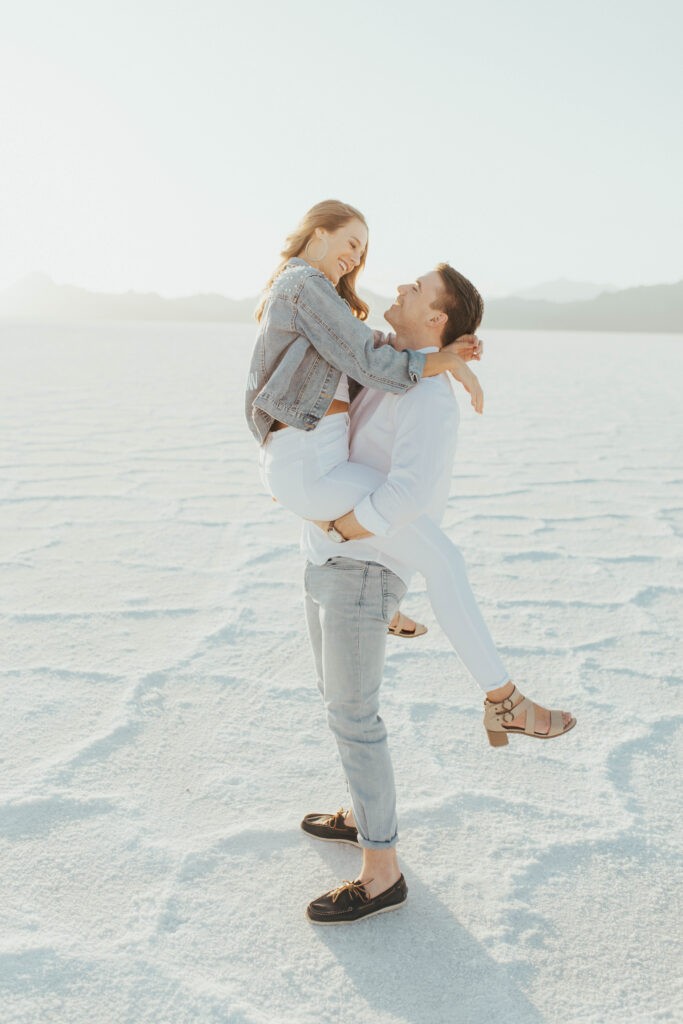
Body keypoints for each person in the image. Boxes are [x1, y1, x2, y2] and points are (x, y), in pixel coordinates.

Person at [298, 264, 576, 924]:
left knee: (354, 717)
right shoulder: (399, 363)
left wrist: (341, 526)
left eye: (415, 289)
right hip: (329, 561)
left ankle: (380, 871)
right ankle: (359, 809)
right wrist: (451, 361)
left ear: (438, 319)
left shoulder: (426, 398)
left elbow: (408, 497)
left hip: (361, 567)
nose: (398, 288)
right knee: (340, 705)